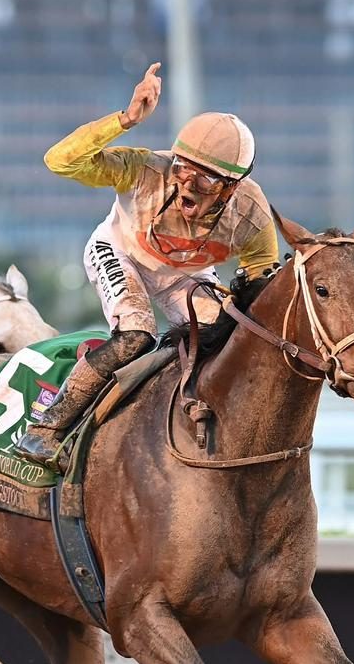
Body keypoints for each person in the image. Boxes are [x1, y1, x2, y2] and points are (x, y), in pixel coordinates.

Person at [14, 63, 280, 467]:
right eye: (182, 168)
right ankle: (46, 429)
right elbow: (59, 161)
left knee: (223, 336)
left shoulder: (252, 215)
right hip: (119, 252)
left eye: (204, 180)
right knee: (137, 334)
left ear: (232, 187)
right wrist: (126, 120)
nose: (186, 183)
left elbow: (262, 279)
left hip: (185, 276)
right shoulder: (144, 170)